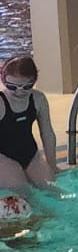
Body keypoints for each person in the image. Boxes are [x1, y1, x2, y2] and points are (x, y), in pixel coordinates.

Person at [0, 56, 56, 194]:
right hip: (3, 157)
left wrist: (52, 165)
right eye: (12, 87)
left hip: (31, 155)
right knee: (23, 192)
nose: (19, 92)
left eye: (26, 87)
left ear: (34, 81)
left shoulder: (38, 99)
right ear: (3, 80)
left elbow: (47, 134)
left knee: (51, 188)